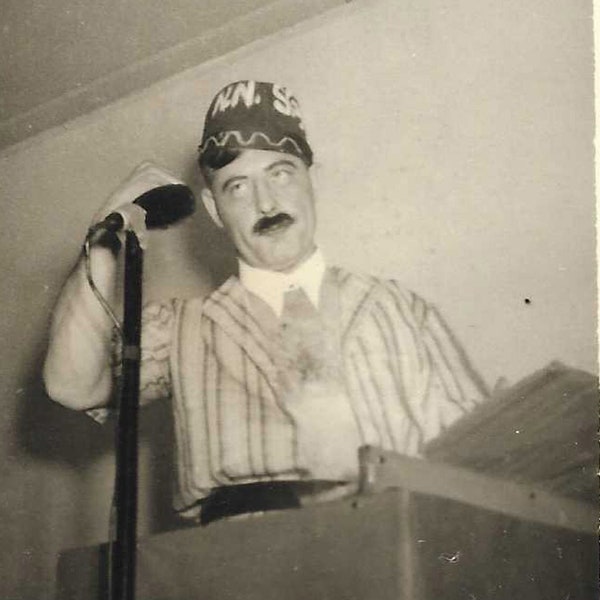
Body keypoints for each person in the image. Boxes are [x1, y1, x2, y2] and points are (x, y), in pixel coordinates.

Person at [43, 80, 489, 524]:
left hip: (399, 555)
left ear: (310, 182)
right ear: (215, 210)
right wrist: (105, 232)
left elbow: (482, 463)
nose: (266, 202)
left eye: (280, 173)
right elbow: (71, 384)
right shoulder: (183, 330)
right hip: (248, 569)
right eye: (237, 186)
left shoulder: (401, 309)